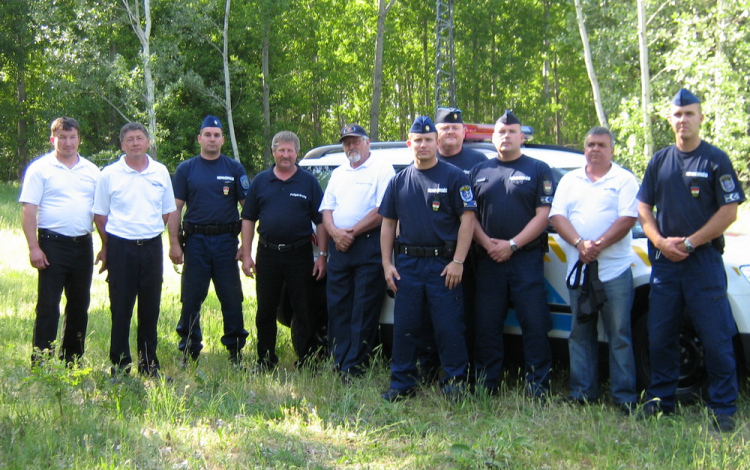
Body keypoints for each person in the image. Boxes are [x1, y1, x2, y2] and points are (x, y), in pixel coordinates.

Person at [637, 88, 745, 432]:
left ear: (700, 117)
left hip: (703, 264)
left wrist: (691, 242)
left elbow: (729, 211)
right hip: (666, 264)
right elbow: (643, 207)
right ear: (670, 119)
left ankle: (723, 408)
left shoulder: (715, 159)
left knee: (716, 337)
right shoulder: (659, 160)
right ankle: (660, 401)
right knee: (661, 335)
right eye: (677, 114)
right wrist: (658, 241)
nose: (683, 120)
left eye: (689, 114)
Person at [378, 115, 475, 401]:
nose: (423, 145)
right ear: (410, 144)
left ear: (436, 142)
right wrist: (386, 263)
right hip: (407, 265)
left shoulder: (455, 177)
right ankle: (402, 383)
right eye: (418, 140)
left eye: (428, 140)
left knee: (448, 326)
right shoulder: (399, 181)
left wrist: (458, 261)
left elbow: (467, 220)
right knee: (406, 327)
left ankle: (455, 383)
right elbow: (388, 224)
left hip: (443, 264)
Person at [550, 126, 639, 414]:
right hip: (579, 271)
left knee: (620, 334)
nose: (595, 149)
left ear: (612, 150)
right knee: (580, 332)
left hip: (614, 272)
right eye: (590, 144)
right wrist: (579, 243)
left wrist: (596, 245)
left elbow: (627, 218)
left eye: (601, 144)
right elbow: (557, 215)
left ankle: (624, 396)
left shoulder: (624, 179)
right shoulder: (569, 180)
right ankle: (581, 392)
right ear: (584, 148)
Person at [470, 110, 555, 399]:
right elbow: (469, 216)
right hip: (488, 260)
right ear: (493, 138)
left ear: (522, 136)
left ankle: (538, 387)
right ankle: (486, 383)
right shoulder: (479, 172)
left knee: (534, 323)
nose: (506, 136)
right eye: (501, 132)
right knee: (487, 324)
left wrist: (512, 245)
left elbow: (543, 216)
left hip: (525, 259)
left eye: (511, 131)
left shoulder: (539, 169)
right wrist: (488, 244)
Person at [93, 122, 176, 378]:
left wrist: (147, 231)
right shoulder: (109, 174)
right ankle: (120, 367)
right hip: (120, 248)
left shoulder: (160, 172)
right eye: (130, 139)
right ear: (122, 145)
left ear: (148, 142)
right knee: (121, 309)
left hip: (151, 247)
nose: (135, 143)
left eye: (140, 138)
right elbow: (100, 215)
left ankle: (149, 365)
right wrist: (109, 245)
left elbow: (167, 211)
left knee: (150, 308)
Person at [241, 131, 328, 371]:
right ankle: (265, 360)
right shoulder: (260, 181)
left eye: (290, 150)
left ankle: (307, 360)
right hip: (267, 254)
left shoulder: (308, 181)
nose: (286, 154)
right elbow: (248, 218)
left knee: (304, 309)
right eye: (281, 150)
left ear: (297, 153)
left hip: (299, 254)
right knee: (265, 310)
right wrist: (246, 254)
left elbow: (321, 220)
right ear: (273, 151)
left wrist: (322, 255)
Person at [168, 116, 250, 366]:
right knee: (191, 298)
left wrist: (246, 249)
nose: (212, 139)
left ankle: (235, 352)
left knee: (232, 298)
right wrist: (173, 243)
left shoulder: (234, 169)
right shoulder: (186, 169)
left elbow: (248, 211)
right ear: (199, 138)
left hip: (226, 243)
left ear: (223, 139)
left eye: (216, 135)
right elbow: (175, 209)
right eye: (207, 134)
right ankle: (189, 350)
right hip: (196, 242)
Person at [19, 117, 100, 366]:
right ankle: (41, 362)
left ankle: (73, 361)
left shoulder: (91, 171)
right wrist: (34, 248)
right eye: (62, 138)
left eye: (72, 137)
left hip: (83, 245)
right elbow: (28, 211)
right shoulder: (40, 168)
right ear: (53, 139)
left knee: (79, 305)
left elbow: (100, 212)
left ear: (79, 139)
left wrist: (107, 246)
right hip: (51, 245)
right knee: (48, 306)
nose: (68, 142)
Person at [320, 124, 395, 379]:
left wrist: (349, 233)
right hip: (339, 246)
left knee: (363, 308)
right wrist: (335, 233)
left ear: (367, 142)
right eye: (346, 143)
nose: (350, 147)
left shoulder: (382, 169)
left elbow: (383, 210)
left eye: (355, 141)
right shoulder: (338, 172)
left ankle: (354, 367)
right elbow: (326, 209)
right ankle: (337, 360)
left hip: (367, 244)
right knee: (338, 306)